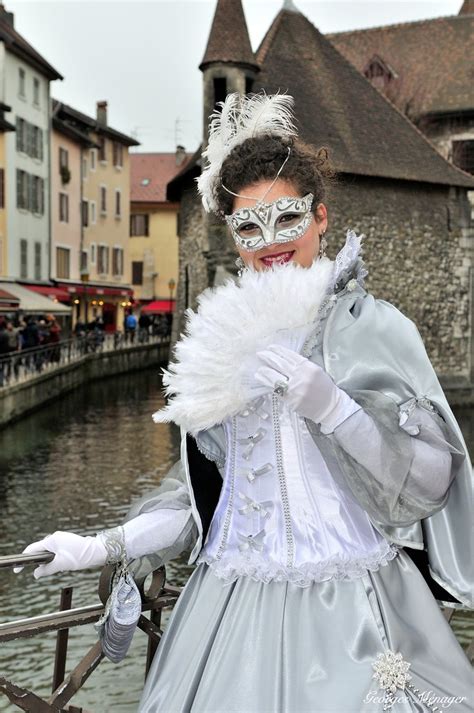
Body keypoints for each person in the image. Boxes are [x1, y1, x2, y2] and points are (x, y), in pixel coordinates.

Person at [15, 93, 473, 713]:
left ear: (321, 218)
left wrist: (337, 409)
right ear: (232, 237)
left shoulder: (375, 328)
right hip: (229, 608)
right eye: (249, 226)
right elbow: (205, 501)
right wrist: (107, 545)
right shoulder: (221, 348)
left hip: (355, 608)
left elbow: (433, 479)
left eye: (286, 218)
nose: (270, 241)